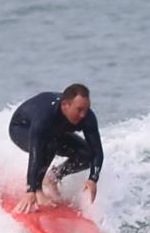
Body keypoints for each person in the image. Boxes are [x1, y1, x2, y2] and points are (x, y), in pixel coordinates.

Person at [8, 83, 103, 214]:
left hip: (54, 133)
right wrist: (31, 190)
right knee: (49, 144)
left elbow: (96, 151)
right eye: (79, 110)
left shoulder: (87, 117)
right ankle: (38, 189)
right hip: (21, 128)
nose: (83, 115)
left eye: (86, 110)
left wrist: (93, 179)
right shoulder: (45, 117)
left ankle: (53, 177)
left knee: (86, 154)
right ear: (65, 105)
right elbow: (36, 154)